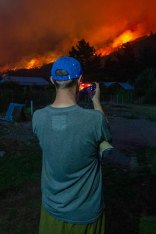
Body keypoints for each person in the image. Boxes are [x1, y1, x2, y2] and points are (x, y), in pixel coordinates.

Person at [32, 56, 112, 234]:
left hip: (51, 210)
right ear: (80, 80)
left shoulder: (37, 117)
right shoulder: (94, 120)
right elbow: (107, 133)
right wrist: (96, 100)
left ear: (52, 80)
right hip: (85, 215)